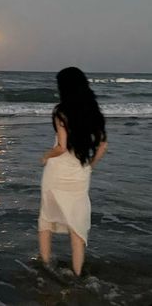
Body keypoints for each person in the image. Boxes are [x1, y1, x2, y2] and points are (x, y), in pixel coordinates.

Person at [38, 67, 107, 277]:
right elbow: (103, 145)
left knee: (46, 220)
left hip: (57, 172)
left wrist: (45, 156)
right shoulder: (94, 111)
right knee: (77, 225)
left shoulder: (61, 111)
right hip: (80, 173)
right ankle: (77, 273)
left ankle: (45, 266)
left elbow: (61, 147)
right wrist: (90, 166)